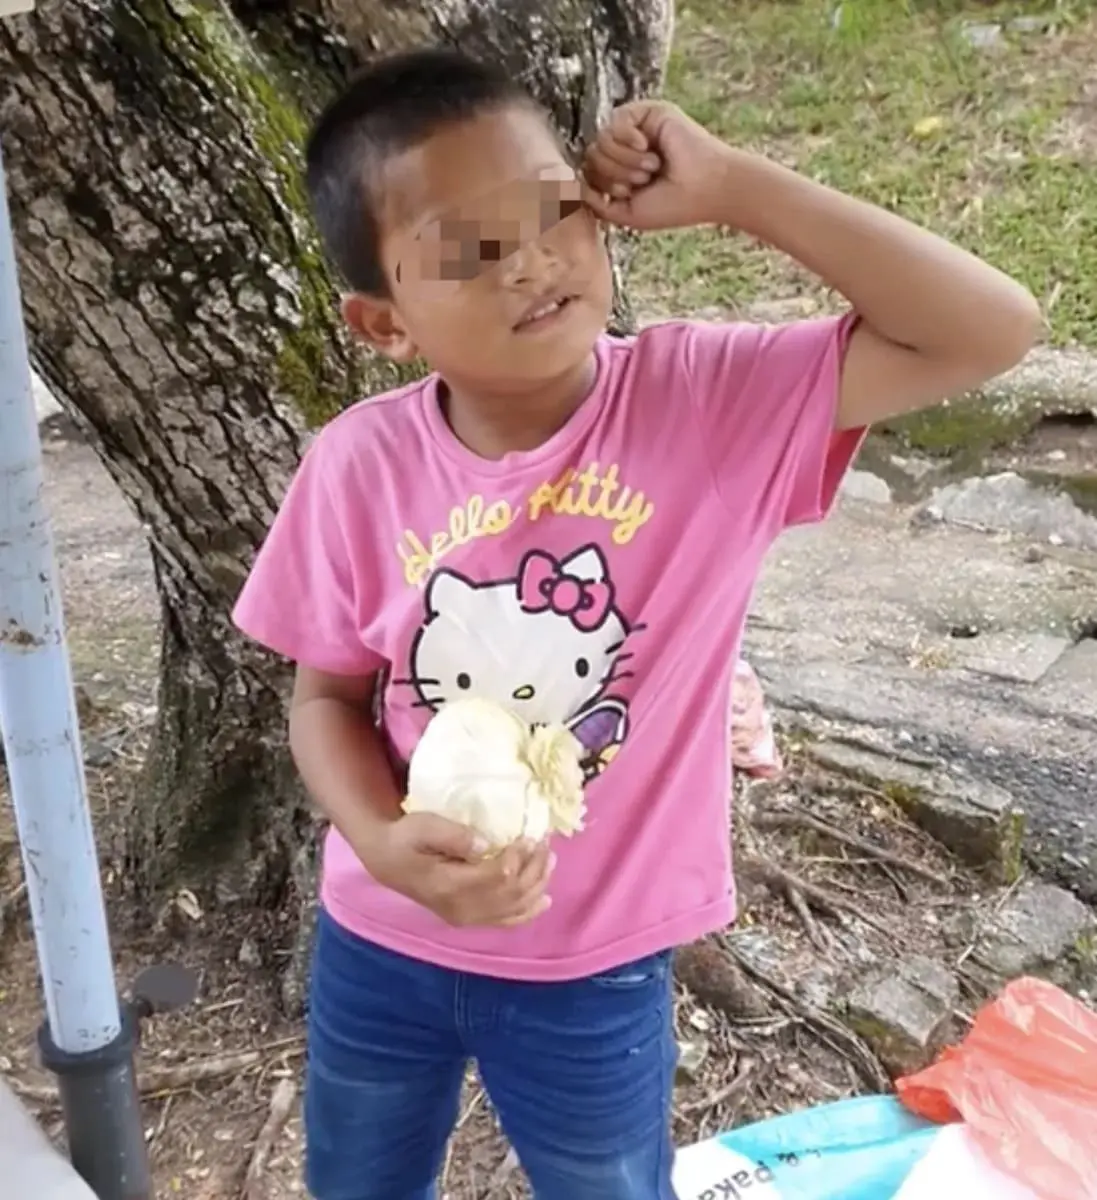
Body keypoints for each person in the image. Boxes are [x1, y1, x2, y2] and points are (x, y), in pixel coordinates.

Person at [232, 46, 1039, 1200]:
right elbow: (324, 698)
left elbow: (987, 329)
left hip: (594, 965)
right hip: (380, 941)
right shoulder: (357, 466)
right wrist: (374, 841)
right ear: (382, 322)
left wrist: (733, 188)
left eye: (551, 211)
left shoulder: (703, 405)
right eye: (471, 251)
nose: (532, 264)